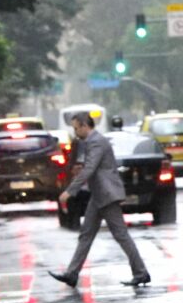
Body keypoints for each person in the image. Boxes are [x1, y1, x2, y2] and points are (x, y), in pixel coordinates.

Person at [48, 112, 151, 288]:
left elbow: (89, 169)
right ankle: (72, 274)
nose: (75, 132)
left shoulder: (96, 141)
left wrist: (70, 191)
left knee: (121, 235)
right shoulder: (90, 141)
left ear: (83, 125)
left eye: (75, 128)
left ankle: (141, 273)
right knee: (86, 235)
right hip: (99, 195)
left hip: (107, 195)